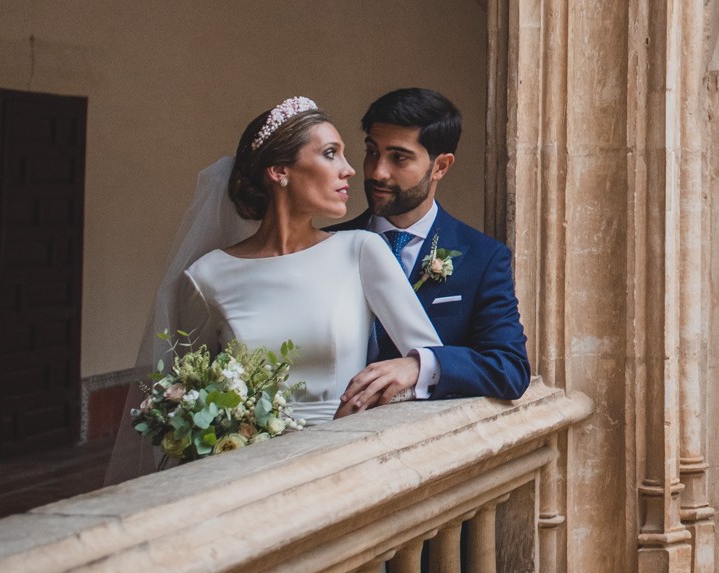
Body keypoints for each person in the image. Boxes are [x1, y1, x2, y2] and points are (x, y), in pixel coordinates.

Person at [109, 97, 444, 483]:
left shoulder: (360, 250)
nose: (350, 169)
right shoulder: (207, 276)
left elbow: (431, 364)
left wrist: (377, 394)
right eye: (330, 154)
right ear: (279, 170)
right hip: (247, 475)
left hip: (344, 465)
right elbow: (188, 396)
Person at [330, 88, 530, 415]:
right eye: (372, 152)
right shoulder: (328, 243)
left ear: (440, 166)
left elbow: (509, 368)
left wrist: (422, 365)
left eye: (398, 158)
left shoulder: (481, 257)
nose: (378, 172)